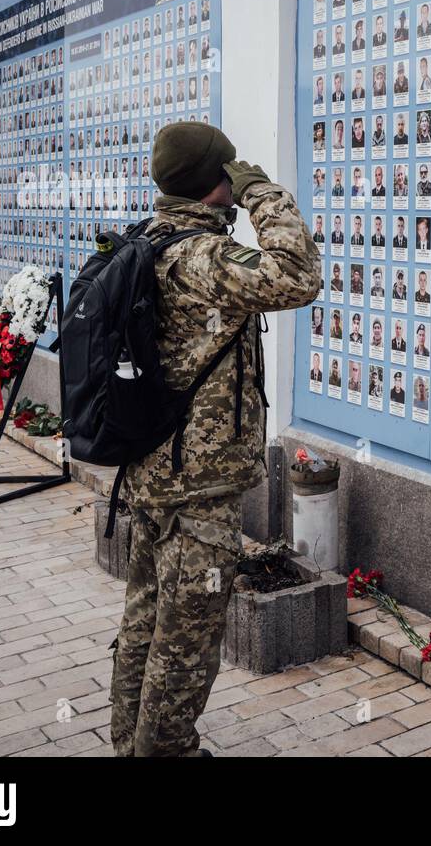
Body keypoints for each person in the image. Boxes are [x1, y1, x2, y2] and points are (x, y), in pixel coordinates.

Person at [112, 125, 321, 758]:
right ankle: (166, 752)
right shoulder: (199, 257)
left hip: (154, 467)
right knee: (188, 638)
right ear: (215, 182)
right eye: (229, 172)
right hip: (195, 485)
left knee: (147, 617)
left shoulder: (153, 239)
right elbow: (297, 275)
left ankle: (132, 747)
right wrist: (262, 193)